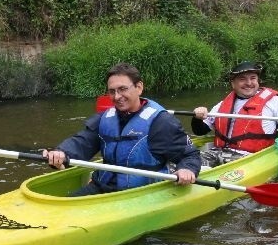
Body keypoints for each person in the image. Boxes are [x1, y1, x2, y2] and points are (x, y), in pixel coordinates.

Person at [43, 63, 201, 196]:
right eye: (112, 91)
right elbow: (82, 142)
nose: (117, 96)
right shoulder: (105, 118)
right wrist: (61, 152)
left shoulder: (161, 122)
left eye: (123, 89)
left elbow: (190, 155)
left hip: (143, 193)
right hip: (102, 187)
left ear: (139, 87)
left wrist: (186, 169)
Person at [191, 61, 278, 167]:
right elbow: (200, 131)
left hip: (250, 158)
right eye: (242, 79)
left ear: (258, 80)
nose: (249, 83)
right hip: (218, 152)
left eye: (253, 78)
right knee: (187, 163)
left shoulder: (273, 101)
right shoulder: (222, 104)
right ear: (233, 83)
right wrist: (197, 118)